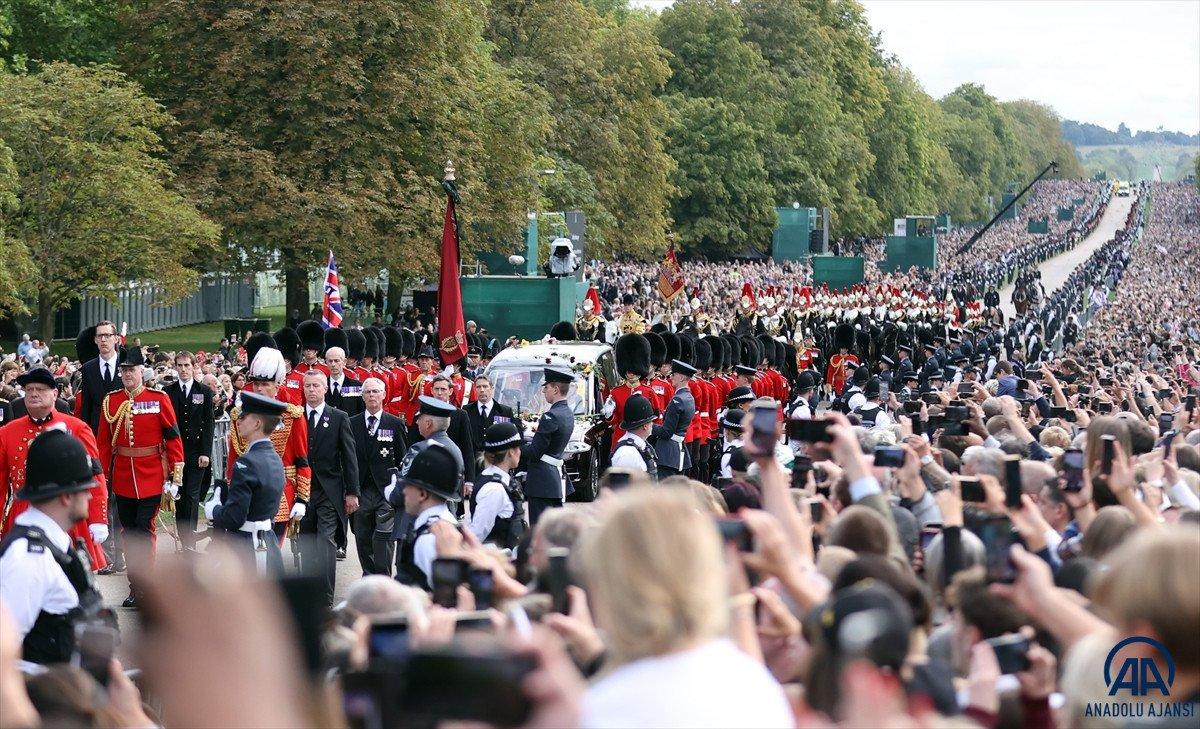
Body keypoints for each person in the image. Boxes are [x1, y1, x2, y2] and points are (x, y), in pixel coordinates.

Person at [0, 429, 109, 665]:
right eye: (85, 488)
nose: (90, 496)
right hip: (42, 697)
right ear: (67, 496)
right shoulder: (28, 558)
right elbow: (4, 653)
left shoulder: (52, 546)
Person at [96, 346, 184, 608]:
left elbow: (172, 437)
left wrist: (175, 475)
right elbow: (103, 441)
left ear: (141, 372)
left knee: (144, 529)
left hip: (152, 474)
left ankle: (146, 586)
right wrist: (103, 474)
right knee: (129, 532)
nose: (127, 375)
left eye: (131, 370)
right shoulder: (111, 401)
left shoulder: (158, 398)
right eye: (123, 370)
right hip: (123, 474)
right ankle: (136, 587)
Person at [0, 369, 110, 572]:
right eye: (29, 389)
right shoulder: (8, 431)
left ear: (55, 394)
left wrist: (98, 518)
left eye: (40, 389)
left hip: (66, 515)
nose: (33, 394)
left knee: (72, 581)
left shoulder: (76, 427)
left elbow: (94, 474)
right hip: (22, 514)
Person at [227, 342, 311, 548]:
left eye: (265, 384)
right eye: (256, 383)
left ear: (277, 386)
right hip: (245, 493)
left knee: (269, 554)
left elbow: (302, 460)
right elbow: (233, 459)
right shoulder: (239, 415)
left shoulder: (293, 416)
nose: (259, 388)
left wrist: (302, 498)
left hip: (281, 494)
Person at [204, 390, 288, 574]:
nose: (238, 420)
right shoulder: (275, 458)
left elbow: (234, 517)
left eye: (244, 416)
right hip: (268, 542)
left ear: (257, 423)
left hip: (246, 549)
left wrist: (214, 509)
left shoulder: (246, 462)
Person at [299, 370, 360, 606]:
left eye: (316, 385)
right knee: (306, 542)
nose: (311, 390)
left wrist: (352, 491)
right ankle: (309, 593)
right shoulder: (296, 417)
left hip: (329, 490)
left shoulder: (338, 417)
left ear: (325, 389)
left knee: (325, 541)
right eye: (308, 386)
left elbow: (349, 456)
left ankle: (325, 598)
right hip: (303, 491)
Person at [72, 321, 124, 569]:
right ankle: (107, 552)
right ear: (95, 341)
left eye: (108, 336)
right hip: (97, 440)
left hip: (124, 439)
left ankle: (122, 551)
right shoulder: (89, 369)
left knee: (122, 497)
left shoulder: (127, 367)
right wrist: (85, 439)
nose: (103, 340)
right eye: (99, 336)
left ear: (116, 339)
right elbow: (87, 410)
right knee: (102, 495)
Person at [350, 377, 407, 576]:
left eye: (376, 391)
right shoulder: (352, 423)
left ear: (384, 395)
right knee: (363, 538)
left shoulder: (395, 423)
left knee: (383, 538)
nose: (372, 395)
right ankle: (368, 577)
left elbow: (402, 460)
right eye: (368, 392)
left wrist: (400, 491)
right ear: (362, 396)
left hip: (386, 491)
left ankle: (383, 578)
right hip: (361, 490)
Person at [386, 442, 461, 588]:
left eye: (408, 486)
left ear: (422, 494)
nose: (404, 492)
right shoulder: (441, 524)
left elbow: (446, 592)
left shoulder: (429, 538)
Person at [164, 350, 215, 552]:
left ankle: (189, 540)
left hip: (196, 452)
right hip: (176, 452)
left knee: (192, 496)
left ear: (194, 366)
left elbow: (209, 422)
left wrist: (206, 452)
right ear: (175, 367)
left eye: (187, 365)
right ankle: (183, 537)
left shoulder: (204, 391)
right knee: (180, 494)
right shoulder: (169, 391)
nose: (184, 369)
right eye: (180, 365)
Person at [522, 367, 577, 525]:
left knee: (540, 530)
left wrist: (515, 443)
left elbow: (534, 452)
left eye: (546, 387)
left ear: (556, 389)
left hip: (542, 481)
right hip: (553, 478)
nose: (544, 391)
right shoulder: (567, 413)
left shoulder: (550, 416)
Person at [467, 422, 526, 547]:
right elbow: (476, 534)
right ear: (511, 452)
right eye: (518, 448)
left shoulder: (500, 480)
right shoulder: (494, 489)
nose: (520, 452)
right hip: (495, 559)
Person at [651, 359, 696, 479]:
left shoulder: (678, 400)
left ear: (681, 378)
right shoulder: (688, 397)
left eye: (674, 374)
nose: (671, 377)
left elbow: (666, 432)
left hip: (668, 453)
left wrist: (648, 426)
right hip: (678, 450)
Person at [465, 374, 515, 457]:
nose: (482, 390)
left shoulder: (505, 411)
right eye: (478, 387)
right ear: (475, 389)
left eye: (485, 386)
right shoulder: (466, 410)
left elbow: (510, 437)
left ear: (492, 388)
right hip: (472, 460)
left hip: (496, 460)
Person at [609, 393, 657, 479]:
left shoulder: (638, 446)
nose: (653, 424)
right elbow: (622, 490)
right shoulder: (627, 454)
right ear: (645, 426)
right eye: (651, 421)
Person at [324, 344, 364, 417]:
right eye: (330, 361)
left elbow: (361, 412)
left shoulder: (357, 386)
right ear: (326, 362)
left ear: (344, 361)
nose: (333, 364)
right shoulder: (322, 385)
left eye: (336, 361)